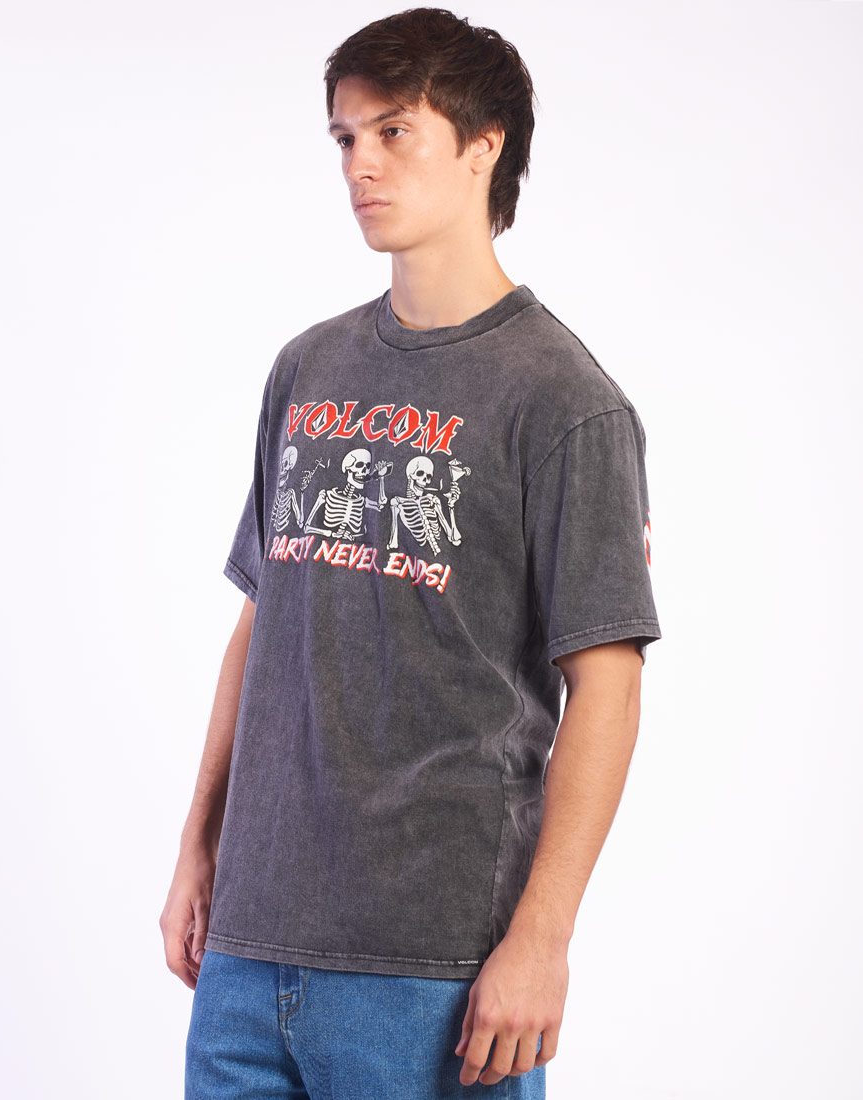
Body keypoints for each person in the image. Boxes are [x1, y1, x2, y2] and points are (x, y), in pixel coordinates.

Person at [159, 7, 663, 1097]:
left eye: (394, 132)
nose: (360, 165)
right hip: (247, 949)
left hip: (433, 969)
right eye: (345, 137)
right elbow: (263, 618)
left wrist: (542, 940)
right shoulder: (308, 367)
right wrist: (199, 843)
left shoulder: (564, 402)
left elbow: (608, 683)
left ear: (484, 144)